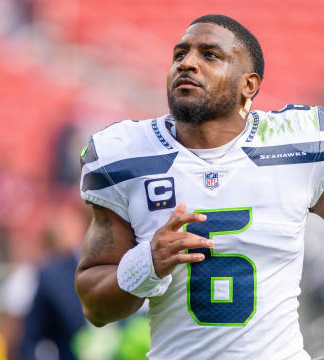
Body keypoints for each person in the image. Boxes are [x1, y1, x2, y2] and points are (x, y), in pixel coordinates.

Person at [75, 14, 324, 360]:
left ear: (248, 85)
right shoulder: (125, 155)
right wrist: (147, 264)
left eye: (210, 55)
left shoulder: (298, 145)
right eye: (179, 54)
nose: (187, 63)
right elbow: (94, 307)